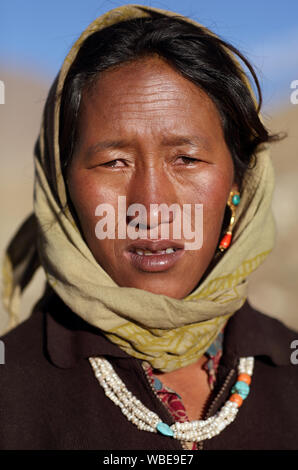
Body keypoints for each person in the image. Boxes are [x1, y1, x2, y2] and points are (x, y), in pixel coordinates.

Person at [1, 5, 297, 451]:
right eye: (113, 162)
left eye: (187, 158)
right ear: (64, 185)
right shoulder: (12, 393)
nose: (152, 206)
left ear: (238, 183)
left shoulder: (286, 366)